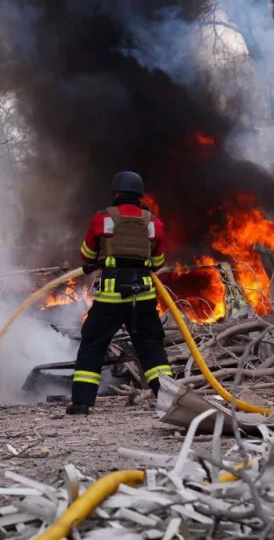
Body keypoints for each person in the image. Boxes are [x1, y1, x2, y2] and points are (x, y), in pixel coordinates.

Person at [68, 171, 171, 416]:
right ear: (140, 195)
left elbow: (87, 254)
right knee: (150, 346)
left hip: (111, 297)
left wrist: (100, 259)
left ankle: (83, 402)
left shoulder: (102, 218)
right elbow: (158, 261)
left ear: (116, 193)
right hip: (143, 296)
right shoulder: (154, 223)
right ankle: (168, 400)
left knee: (93, 343)